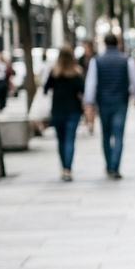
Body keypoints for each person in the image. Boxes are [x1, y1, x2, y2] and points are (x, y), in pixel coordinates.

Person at [83, 32, 135, 179]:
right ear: (117, 44)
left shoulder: (96, 61)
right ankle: (115, 166)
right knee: (118, 135)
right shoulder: (126, 60)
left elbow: (91, 83)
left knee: (105, 134)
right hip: (121, 102)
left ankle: (109, 165)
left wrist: (89, 102)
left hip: (103, 103)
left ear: (105, 44)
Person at [44, 46, 85, 181]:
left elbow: (45, 89)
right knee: (69, 140)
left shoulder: (54, 72)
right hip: (73, 110)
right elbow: (83, 90)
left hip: (58, 111)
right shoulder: (76, 72)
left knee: (61, 140)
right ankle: (68, 169)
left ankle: (64, 168)